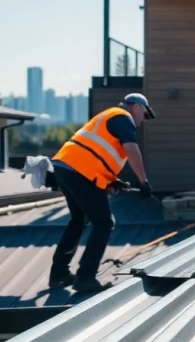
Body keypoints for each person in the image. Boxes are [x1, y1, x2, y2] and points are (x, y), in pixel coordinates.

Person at [48, 93, 155, 291]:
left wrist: (111, 181)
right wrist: (143, 182)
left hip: (66, 167)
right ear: (137, 108)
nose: (142, 122)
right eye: (145, 115)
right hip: (80, 172)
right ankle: (85, 277)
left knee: (79, 220)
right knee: (104, 223)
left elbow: (95, 155)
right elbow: (132, 149)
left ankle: (59, 274)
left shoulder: (108, 115)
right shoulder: (123, 116)